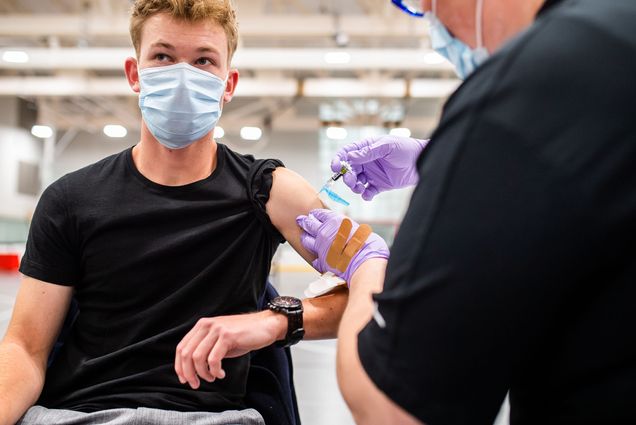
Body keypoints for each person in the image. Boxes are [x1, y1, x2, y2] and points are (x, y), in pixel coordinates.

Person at [0, 1, 390, 424]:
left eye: (204, 60)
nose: (183, 76)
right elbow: (25, 348)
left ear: (228, 83)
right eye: (163, 57)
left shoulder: (268, 191)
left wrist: (277, 321)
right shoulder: (69, 199)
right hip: (81, 414)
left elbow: (371, 286)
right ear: (135, 74)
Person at [298, 0, 636, 423]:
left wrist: (367, 263)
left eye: (424, 4)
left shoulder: (522, 83)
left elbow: (391, 408)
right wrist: (448, 159)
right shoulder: (616, 35)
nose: (430, 20)